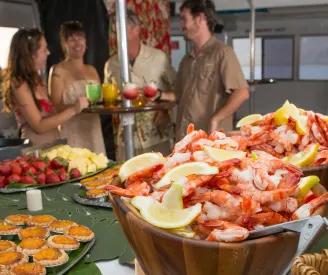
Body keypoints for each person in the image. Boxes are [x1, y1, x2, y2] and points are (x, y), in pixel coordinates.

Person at [104, 10, 176, 160]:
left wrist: (164, 109)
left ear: (136, 30)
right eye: (116, 31)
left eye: (122, 30)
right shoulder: (111, 65)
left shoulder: (158, 58)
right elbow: (108, 100)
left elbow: (178, 91)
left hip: (156, 137)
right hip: (127, 139)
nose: (117, 36)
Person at [173, 0, 248, 138]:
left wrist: (217, 118)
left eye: (184, 19)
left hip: (210, 140)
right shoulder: (186, 60)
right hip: (184, 138)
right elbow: (178, 96)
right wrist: (157, 95)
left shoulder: (223, 53)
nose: (181, 25)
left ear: (200, 18)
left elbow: (242, 92)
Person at [0, 28, 88, 146]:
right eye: (44, 49)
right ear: (31, 54)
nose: (48, 53)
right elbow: (39, 126)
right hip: (36, 150)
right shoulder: (19, 85)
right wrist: (74, 110)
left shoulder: (38, 80)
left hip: (54, 144)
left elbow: (54, 115)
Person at [49, 21, 106, 153]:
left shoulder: (92, 70)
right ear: (64, 43)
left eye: (80, 38)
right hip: (72, 133)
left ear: (86, 42)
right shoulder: (58, 70)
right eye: (71, 39)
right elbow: (55, 107)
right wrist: (75, 107)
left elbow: (100, 102)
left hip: (94, 129)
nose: (77, 43)